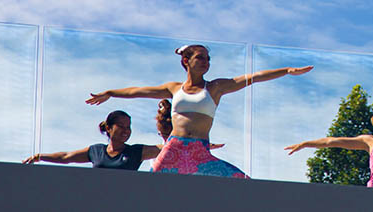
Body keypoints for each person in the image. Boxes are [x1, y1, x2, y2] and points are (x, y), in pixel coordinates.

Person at [86, 44, 312, 178]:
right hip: (173, 149)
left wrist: (286, 70)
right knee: (148, 189)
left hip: (200, 153)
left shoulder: (215, 87)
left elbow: (252, 78)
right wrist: (110, 92)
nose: (206, 62)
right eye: (200, 58)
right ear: (186, 61)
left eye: (208, 59)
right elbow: (138, 91)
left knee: (241, 181)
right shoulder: (173, 88)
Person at [22, 110, 161, 170]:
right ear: (108, 128)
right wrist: (39, 157)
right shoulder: (96, 151)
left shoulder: (136, 151)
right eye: (121, 126)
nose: (126, 131)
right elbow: (66, 157)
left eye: (128, 127)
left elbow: (167, 148)